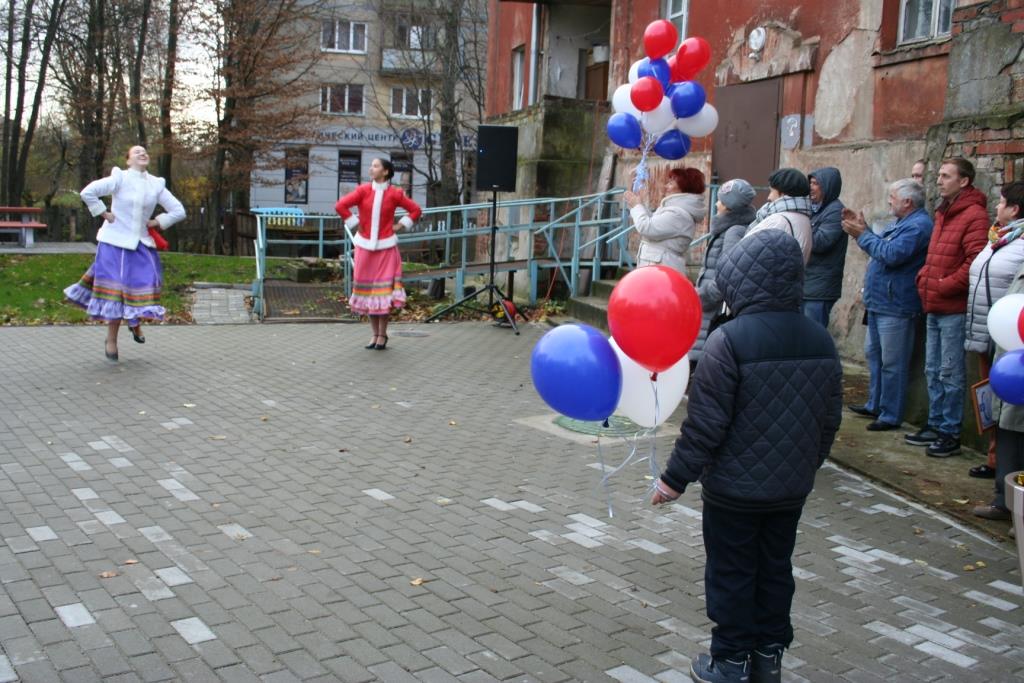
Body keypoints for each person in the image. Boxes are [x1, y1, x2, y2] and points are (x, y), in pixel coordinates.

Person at [651, 230, 843, 683]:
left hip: (733, 493)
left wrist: (673, 479)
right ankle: (767, 658)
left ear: (740, 280)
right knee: (775, 570)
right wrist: (806, 465)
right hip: (789, 489)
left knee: (732, 573)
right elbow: (829, 419)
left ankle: (731, 661)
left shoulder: (729, 341)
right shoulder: (821, 339)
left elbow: (705, 424)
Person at [64, 145, 186, 361]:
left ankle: (134, 322)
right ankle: (111, 340)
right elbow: (87, 192)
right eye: (136, 152)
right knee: (117, 293)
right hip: (114, 244)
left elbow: (179, 211)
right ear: (128, 160)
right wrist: (103, 213)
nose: (142, 153)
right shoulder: (119, 178)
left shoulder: (156, 184)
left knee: (147, 284)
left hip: (141, 245)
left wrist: (157, 222)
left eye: (145, 151)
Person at [907, 158, 990, 457]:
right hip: (933, 303)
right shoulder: (944, 211)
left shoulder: (975, 215)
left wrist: (943, 284)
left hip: (952, 306)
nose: (938, 181)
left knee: (950, 371)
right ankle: (935, 423)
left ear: (963, 181)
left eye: (945, 176)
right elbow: (935, 256)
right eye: (939, 175)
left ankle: (950, 432)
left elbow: (975, 262)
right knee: (932, 369)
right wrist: (924, 278)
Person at [842, 179, 933, 431]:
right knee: (875, 356)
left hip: (897, 304)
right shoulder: (902, 223)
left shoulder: (918, 226)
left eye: (892, 197)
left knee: (893, 363)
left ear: (907, 201)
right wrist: (864, 230)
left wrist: (862, 235)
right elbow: (883, 248)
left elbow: (891, 255)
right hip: (880, 301)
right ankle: (876, 404)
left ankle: (891, 414)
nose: (888, 202)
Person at [964, 181, 1024, 480]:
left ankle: (1001, 464)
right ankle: (994, 458)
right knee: (989, 396)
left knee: (1006, 401)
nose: (996, 207)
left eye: (1001, 202)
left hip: (1010, 335)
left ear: (1014, 209)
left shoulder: (1020, 242)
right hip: (985, 327)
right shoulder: (998, 237)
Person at [335, 158, 422, 350]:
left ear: (385, 172)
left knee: (383, 294)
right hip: (364, 249)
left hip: (386, 249)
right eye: (371, 165)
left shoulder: (395, 193)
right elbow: (340, 206)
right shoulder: (362, 191)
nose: (371, 169)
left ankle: (382, 335)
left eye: (375, 166)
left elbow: (416, 210)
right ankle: (374, 335)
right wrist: (356, 223)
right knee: (368, 294)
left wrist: (400, 225)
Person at [690, 178, 756, 365]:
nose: (716, 204)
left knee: (702, 362)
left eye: (720, 200)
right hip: (708, 307)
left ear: (729, 206)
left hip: (714, 309)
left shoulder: (733, 231)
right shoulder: (727, 228)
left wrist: (702, 295)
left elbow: (728, 274)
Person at [622, 166, 706, 277]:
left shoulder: (678, 214)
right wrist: (636, 202)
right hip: (659, 271)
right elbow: (653, 222)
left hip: (661, 273)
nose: (666, 187)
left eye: (671, 183)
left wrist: (637, 205)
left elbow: (646, 227)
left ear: (684, 187)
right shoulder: (675, 210)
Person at [803, 167, 846, 327]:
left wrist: (799, 227)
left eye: (816, 184)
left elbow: (821, 242)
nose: (810, 187)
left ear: (827, 186)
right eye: (810, 183)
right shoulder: (813, 209)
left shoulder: (835, 211)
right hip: (808, 285)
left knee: (813, 334)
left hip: (819, 288)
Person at [745, 168, 813, 264]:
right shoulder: (804, 218)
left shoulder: (778, 220)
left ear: (783, 193)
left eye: (772, 191)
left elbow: (744, 251)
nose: (768, 197)